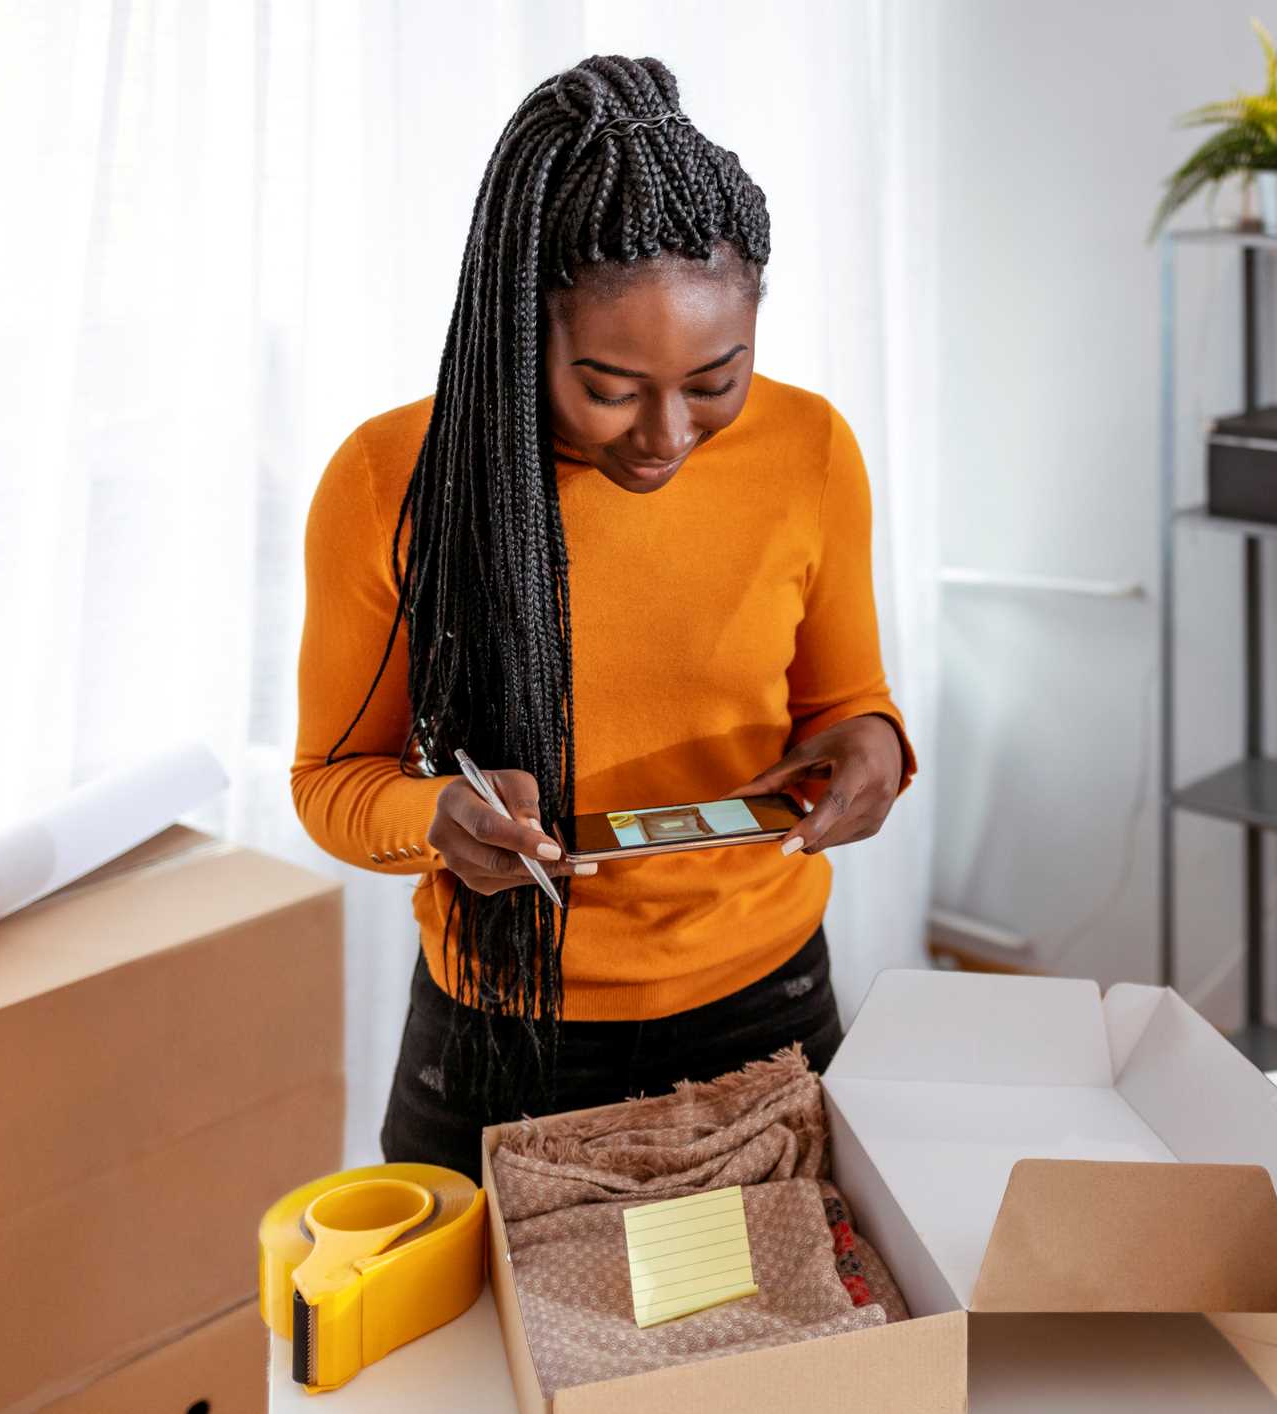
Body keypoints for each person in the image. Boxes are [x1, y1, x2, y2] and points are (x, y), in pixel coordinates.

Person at [290, 54, 912, 1179]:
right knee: (473, 1358)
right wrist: (435, 816)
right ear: (521, 332)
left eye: (715, 380)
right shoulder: (394, 480)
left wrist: (873, 748)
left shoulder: (810, 449)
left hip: (767, 999)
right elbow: (331, 780)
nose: (666, 434)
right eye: (612, 388)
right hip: (503, 1027)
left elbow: (846, 700)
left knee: (792, 1343)